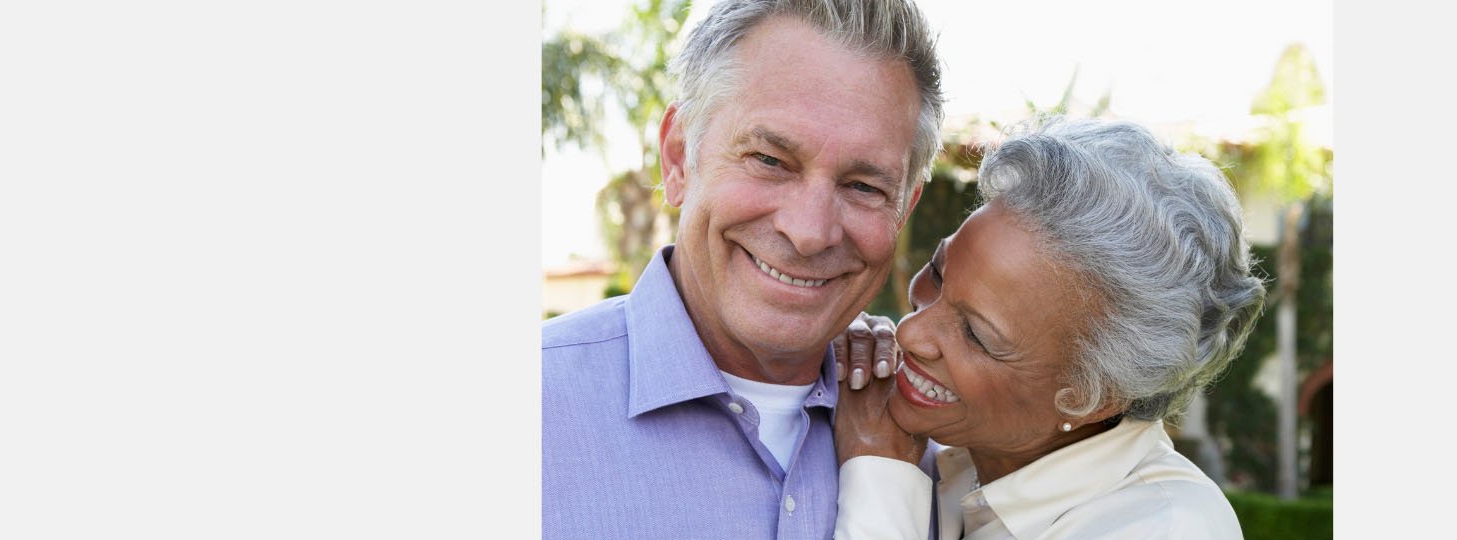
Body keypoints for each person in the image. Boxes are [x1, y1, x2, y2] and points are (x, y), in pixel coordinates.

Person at [540, 0, 942, 537]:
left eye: (863, 187)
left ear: (904, 209)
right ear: (680, 156)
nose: (809, 231)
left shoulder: (945, 457)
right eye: (770, 160)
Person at [831, 117, 1267, 539]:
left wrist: (880, 474)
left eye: (977, 335)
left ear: (1087, 398)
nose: (909, 333)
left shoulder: (1165, 528)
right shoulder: (957, 455)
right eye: (939, 273)